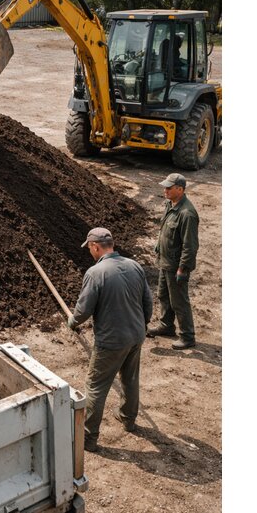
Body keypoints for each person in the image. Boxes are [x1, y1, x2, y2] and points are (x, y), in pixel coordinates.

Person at [68, 227, 153, 452]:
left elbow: (84, 310)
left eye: (90, 249)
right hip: (136, 334)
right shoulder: (134, 266)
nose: (90, 253)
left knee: (96, 385)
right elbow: (148, 302)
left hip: (111, 342)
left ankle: (88, 437)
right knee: (130, 377)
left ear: (96, 247)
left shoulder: (95, 273)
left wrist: (72, 321)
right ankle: (128, 419)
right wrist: (141, 326)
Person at [147, 173, 199, 349]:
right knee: (163, 295)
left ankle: (187, 336)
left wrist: (183, 269)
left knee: (179, 301)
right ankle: (166, 326)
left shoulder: (187, 214)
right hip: (165, 261)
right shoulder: (170, 204)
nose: (165, 190)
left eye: (169, 187)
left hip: (176, 265)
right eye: (165, 186)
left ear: (180, 189)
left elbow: (190, 246)